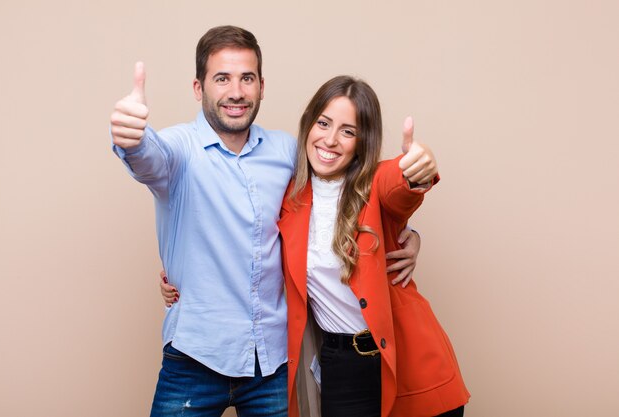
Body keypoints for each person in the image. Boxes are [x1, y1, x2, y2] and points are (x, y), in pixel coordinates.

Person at [110, 26, 429, 417]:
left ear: (261, 86)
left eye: (247, 78)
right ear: (198, 88)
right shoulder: (178, 149)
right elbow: (149, 158)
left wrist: (407, 235)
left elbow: (352, 192)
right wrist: (131, 139)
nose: (236, 91)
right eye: (222, 78)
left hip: (272, 363)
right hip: (194, 356)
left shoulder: (289, 153)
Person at [277, 76, 469, 416]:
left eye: (348, 131)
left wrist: (417, 168)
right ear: (309, 124)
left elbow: (400, 187)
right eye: (323, 123)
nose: (331, 139)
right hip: (341, 366)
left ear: (362, 143)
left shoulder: (376, 184)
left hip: (411, 361)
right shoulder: (286, 199)